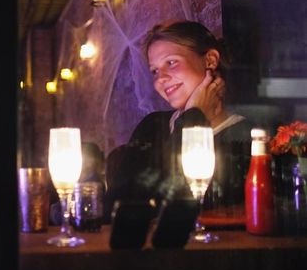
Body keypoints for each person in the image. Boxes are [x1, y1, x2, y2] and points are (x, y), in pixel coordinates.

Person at [104, 20, 252, 224]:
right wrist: (193, 117)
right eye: (154, 71)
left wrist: (194, 117)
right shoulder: (152, 126)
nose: (160, 79)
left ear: (210, 60)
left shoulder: (248, 137)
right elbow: (113, 209)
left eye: (171, 62)